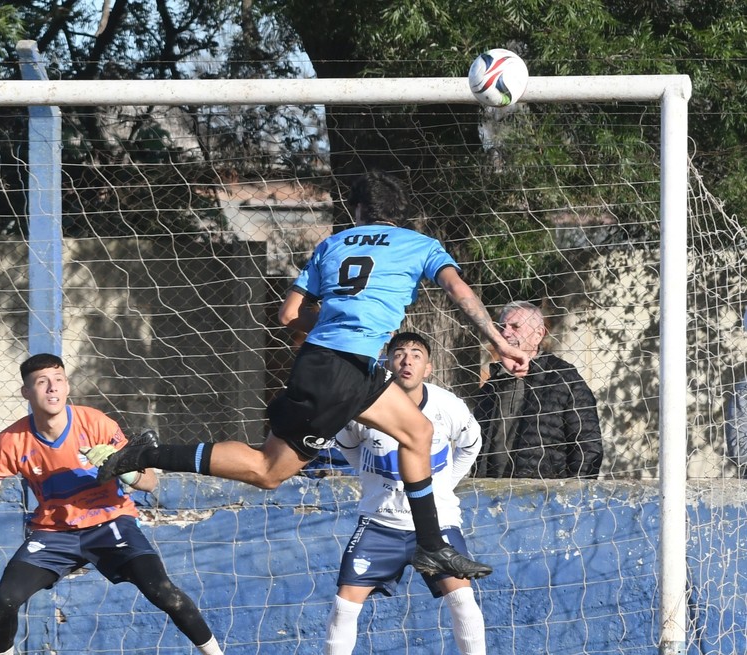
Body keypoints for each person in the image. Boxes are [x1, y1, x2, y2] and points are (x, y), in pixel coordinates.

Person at [97, 170, 527, 579]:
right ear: (401, 212)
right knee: (268, 470)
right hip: (341, 370)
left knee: (418, 431)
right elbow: (459, 291)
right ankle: (147, 454)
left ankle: (430, 545)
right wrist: (500, 343)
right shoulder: (420, 245)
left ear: (356, 210)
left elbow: (288, 314)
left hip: (341, 365)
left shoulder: (333, 244)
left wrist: (335, 318)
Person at [0, 353, 223, 655]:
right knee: (4, 601)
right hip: (53, 533)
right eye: (42, 382)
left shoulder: (96, 423)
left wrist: (124, 469)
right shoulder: (11, 439)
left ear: (67, 386)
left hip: (111, 523)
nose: (52, 388)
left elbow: (149, 482)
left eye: (58, 380)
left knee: (164, 593)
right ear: (26, 392)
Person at [325, 332, 486, 655]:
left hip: (437, 522)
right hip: (379, 523)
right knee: (344, 606)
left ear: (428, 368)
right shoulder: (365, 405)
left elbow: (471, 445)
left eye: (416, 355)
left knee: (463, 600)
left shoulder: (448, 406)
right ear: (387, 363)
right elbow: (348, 445)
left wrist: (444, 485)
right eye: (399, 354)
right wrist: (370, 481)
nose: (407, 361)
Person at [473, 300, 603, 478]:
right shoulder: (491, 386)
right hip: (489, 490)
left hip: (544, 491)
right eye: (502, 327)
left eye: (515, 327)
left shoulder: (563, 378)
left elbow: (587, 444)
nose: (505, 333)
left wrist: (575, 491)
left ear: (538, 335)